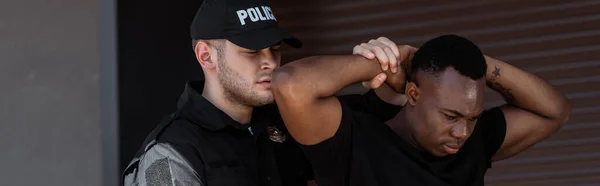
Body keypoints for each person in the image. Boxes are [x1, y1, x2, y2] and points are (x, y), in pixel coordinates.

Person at [120, 0, 406, 185]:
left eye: (275, 50)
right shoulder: (171, 153)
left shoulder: (286, 118)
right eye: (252, 51)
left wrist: (379, 63)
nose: (269, 61)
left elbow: (378, 115)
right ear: (206, 56)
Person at [271, 34, 572, 186]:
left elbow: (554, 110)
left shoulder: (473, 143)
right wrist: (384, 62)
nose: (462, 132)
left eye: (472, 118)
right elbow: (290, 84)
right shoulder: (353, 143)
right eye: (451, 116)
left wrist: (473, 58)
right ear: (413, 93)